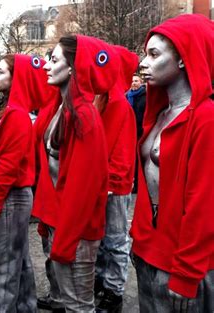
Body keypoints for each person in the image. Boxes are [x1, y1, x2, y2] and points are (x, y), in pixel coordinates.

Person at [131, 14, 214, 313]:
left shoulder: (206, 118)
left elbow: (203, 203)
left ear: (183, 59)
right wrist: (138, 240)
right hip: (149, 254)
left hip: (182, 264)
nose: (143, 62)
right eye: (145, 53)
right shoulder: (159, 114)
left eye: (154, 54)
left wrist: (186, 272)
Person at [33, 35, 119, 312]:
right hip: (64, 227)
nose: (46, 65)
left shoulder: (84, 115)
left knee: (79, 306)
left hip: (77, 234)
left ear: (73, 68)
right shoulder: (64, 108)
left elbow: (84, 187)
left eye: (54, 60)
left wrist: (66, 240)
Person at [0, 54, 58, 312]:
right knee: (17, 261)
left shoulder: (17, 116)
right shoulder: (12, 113)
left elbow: (6, 169)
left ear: (16, 79)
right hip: (12, 198)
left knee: (2, 268)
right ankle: (25, 307)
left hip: (9, 199)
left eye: (0, 72)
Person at [93, 46, 138, 313]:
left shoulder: (120, 105)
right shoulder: (103, 101)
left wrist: (111, 183)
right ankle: (102, 282)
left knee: (116, 240)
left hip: (115, 188)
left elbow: (122, 150)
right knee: (102, 238)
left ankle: (114, 292)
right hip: (103, 185)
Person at [126, 74, 146, 194]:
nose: (134, 83)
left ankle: (138, 185)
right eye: (132, 81)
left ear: (141, 82)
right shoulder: (127, 96)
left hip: (139, 133)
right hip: (129, 133)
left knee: (138, 160)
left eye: (136, 81)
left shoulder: (144, 97)